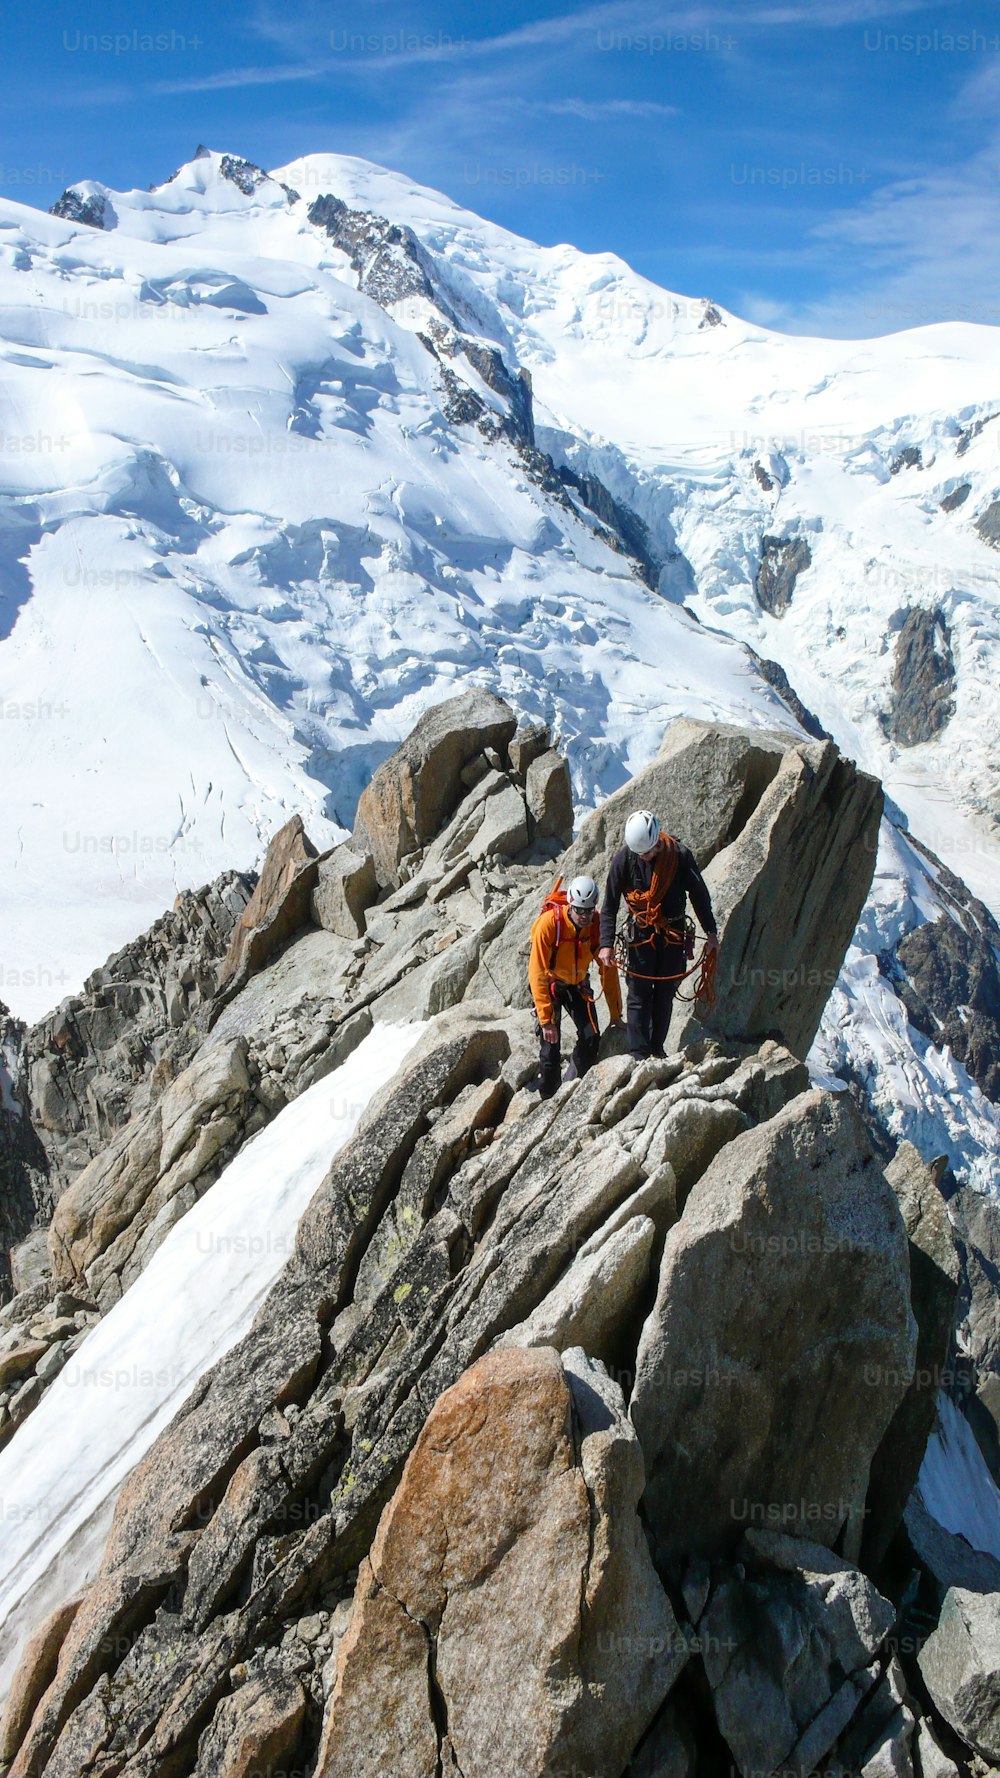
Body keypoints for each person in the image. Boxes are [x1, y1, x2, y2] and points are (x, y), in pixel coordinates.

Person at [598, 809, 719, 1060]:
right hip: (641, 935)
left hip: (673, 934)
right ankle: (638, 1053)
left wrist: (711, 932)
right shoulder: (625, 859)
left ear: (657, 841)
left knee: (664, 994)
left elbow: (698, 894)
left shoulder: (679, 855)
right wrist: (605, 945)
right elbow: (609, 904)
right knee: (639, 994)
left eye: (649, 852)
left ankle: (657, 1048)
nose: (645, 857)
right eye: (640, 853)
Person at [529, 874, 623, 1099]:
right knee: (551, 1048)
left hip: (577, 984)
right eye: (579, 910)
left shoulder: (596, 926)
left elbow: (608, 971)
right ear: (570, 905)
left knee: (592, 1039)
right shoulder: (549, 925)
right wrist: (545, 1019)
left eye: (588, 911)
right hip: (551, 985)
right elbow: (537, 973)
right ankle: (548, 1100)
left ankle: (571, 1089)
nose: (584, 916)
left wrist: (615, 1014)